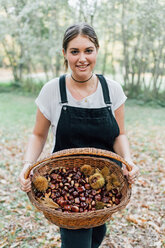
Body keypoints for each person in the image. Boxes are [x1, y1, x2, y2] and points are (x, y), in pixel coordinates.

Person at [19, 23, 139, 248]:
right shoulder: (52, 90)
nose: (82, 58)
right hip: (64, 184)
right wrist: (27, 164)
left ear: (97, 51)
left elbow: (120, 134)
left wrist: (128, 160)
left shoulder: (111, 89)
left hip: (104, 185)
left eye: (88, 50)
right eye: (74, 51)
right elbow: (38, 134)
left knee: (95, 238)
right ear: (64, 53)